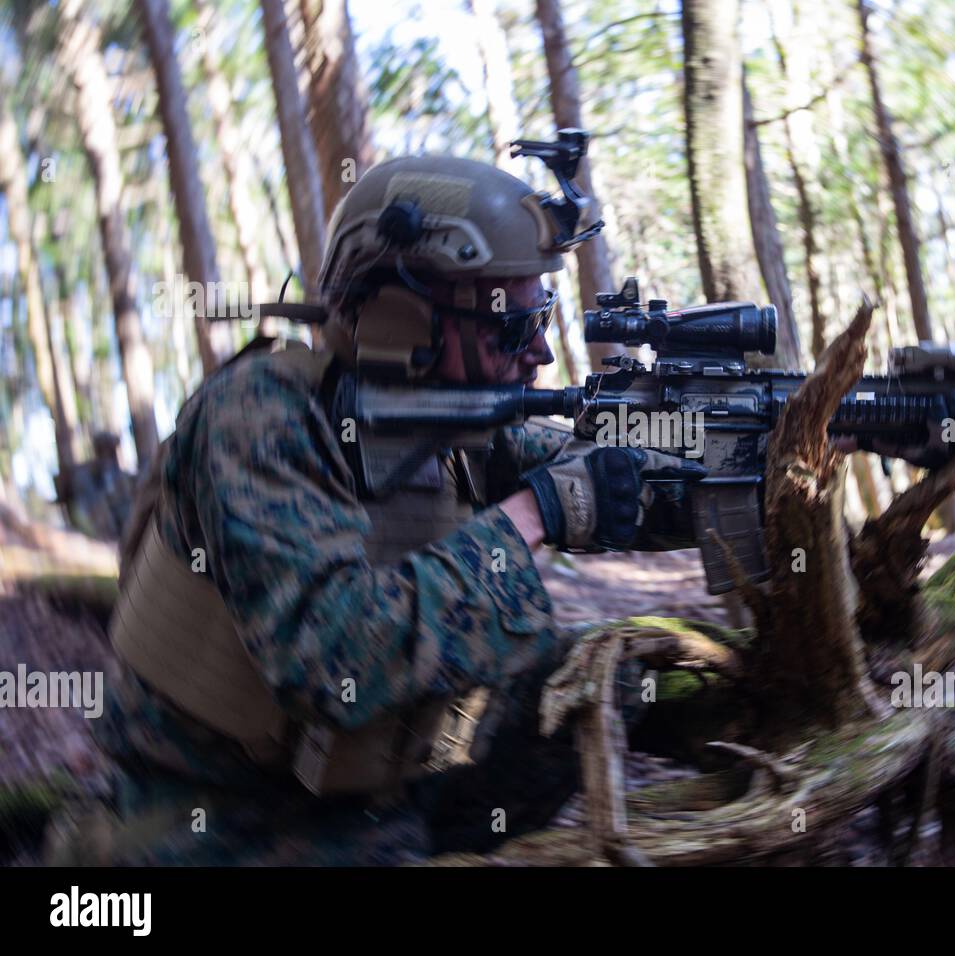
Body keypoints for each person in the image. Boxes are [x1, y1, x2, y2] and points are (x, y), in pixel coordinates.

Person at [47, 153, 703, 865]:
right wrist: (533, 516)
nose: (540, 352)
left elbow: (615, 477)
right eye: (511, 328)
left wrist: (744, 471)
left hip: (381, 776)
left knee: (610, 677)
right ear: (402, 317)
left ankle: (427, 838)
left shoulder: (461, 421)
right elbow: (335, 660)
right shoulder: (258, 414)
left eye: (542, 316)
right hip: (218, 806)